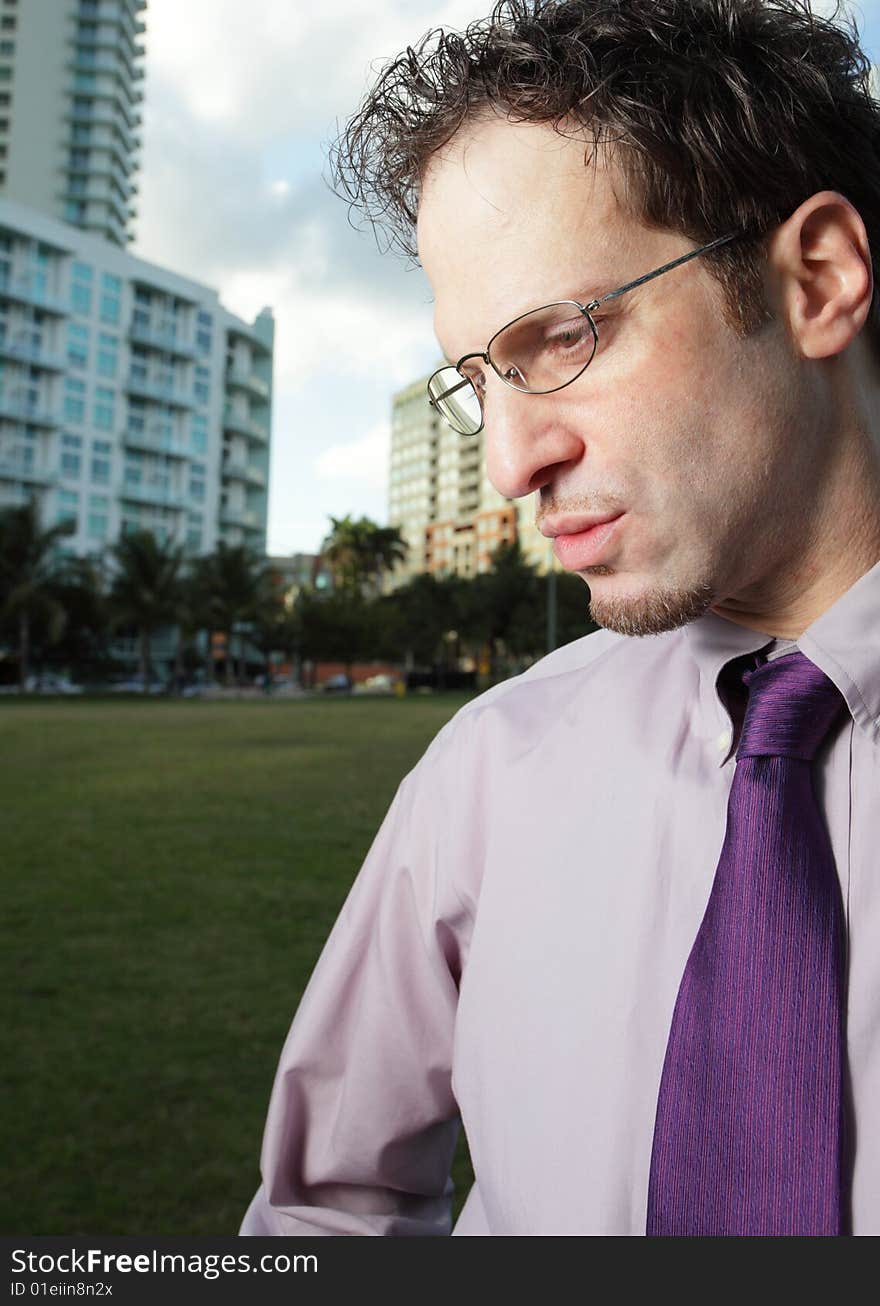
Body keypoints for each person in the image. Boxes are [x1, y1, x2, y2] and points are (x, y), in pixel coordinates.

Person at [241, 0, 880, 1236]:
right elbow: (327, 1215)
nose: (510, 463)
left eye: (559, 337)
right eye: (478, 380)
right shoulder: (483, 773)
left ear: (815, 280)